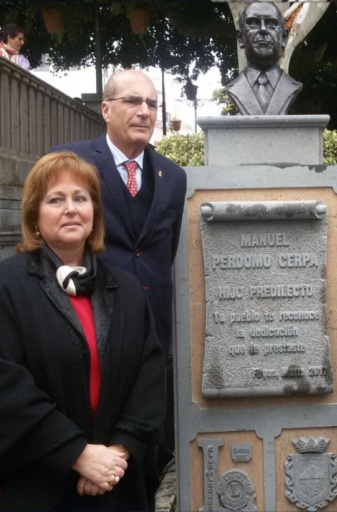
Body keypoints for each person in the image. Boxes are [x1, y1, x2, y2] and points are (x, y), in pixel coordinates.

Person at [0, 152, 165, 511]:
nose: (71, 209)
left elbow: (150, 375)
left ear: (94, 213)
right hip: (39, 485)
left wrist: (118, 453)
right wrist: (75, 453)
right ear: (34, 216)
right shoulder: (7, 286)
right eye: (56, 199)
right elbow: (7, 386)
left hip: (116, 485)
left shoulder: (126, 288)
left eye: (80, 198)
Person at [51, 68, 186, 474]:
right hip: (86, 331)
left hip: (149, 339)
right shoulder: (72, 163)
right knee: (89, 449)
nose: (144, 111)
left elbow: (164, 249)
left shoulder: (174, 177)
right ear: (106, 109)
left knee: (144, 457)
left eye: (151, 104)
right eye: (133, 101)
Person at [226, 2, 302, 115]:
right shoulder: (234, 88)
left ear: (284, 38)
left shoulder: (292, 86)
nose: (263, 29)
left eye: (271, 24)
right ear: (241, 38)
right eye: (253, 23)